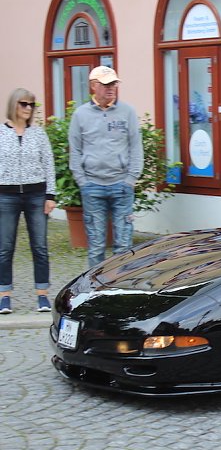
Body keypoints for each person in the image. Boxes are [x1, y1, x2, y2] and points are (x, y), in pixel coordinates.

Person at [69, 66, 143, 268]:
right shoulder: (80, 114)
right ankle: (94, 293)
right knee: (96, 246)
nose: (111, 88)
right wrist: (82, 182)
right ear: (93, 86)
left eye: (114, 84)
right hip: (92, 186)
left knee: (123, 246)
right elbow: (74, 150)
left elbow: (136, 147)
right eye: (106, 84)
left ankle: (121, 291)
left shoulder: (127, 112)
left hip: (121, 185)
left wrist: (131, 179)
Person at [0, 89, 57, 314]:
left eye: (31, 105)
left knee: (40, 247)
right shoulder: (1, 133)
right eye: (23, 103)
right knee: (4, 247)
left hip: (36, 195)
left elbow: (49, 164)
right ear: (13, 105)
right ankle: (4, 295)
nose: (28, 108)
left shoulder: (38, 134)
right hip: (6, 196)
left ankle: (42, 294)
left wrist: (50, 196)